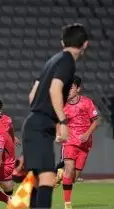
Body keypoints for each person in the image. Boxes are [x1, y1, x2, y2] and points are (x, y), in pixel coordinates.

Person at [23, 23, 88, 208]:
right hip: (42, 125)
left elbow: (32, 94)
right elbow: (55, 89)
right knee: (47, 177)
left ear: (62, 41)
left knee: (37, 180)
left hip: (33, 123)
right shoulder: (68, 61)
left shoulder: (52, 60)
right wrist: (62, 121)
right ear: (85, 44)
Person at [57, 76, 99, 209]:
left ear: (78, 89)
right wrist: (59, 134)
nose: (68, 90)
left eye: (71, 87)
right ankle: (67, 204)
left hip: (84, 144)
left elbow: (97, 120)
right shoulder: (62, 104)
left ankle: (60, 174)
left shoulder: (87, 102)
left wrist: (87, 134)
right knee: (69, 168)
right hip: (69, 142)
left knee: (73, 177)